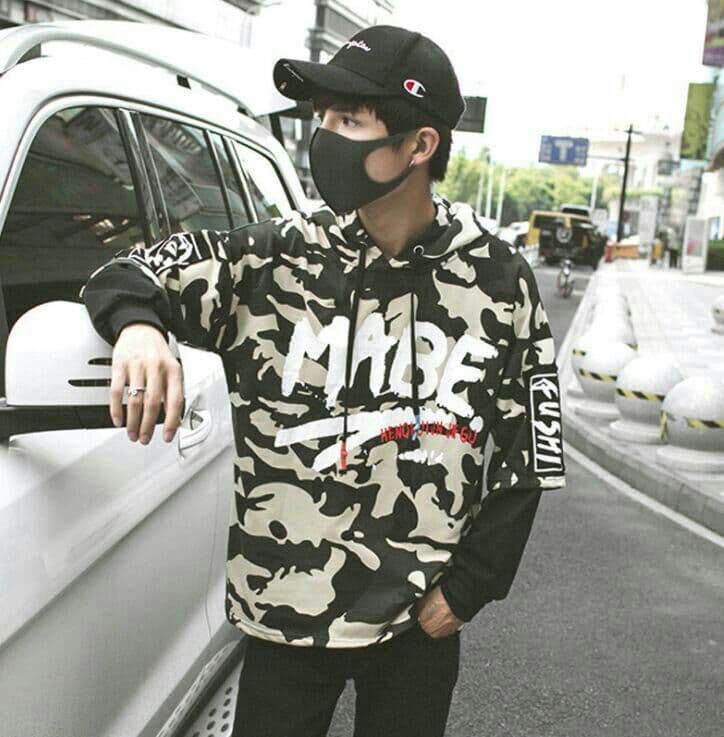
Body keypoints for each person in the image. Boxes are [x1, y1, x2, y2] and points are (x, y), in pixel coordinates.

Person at [80, 24, 566, 737]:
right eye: (323, 118)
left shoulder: (499, 280)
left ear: (419, 145)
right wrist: (140, 327)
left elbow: (534, 447)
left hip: (416, 622)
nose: (324, 138)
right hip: (284, 613)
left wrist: (471, 587)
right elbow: (129, 270)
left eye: (348, 120)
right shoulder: (276, 256)